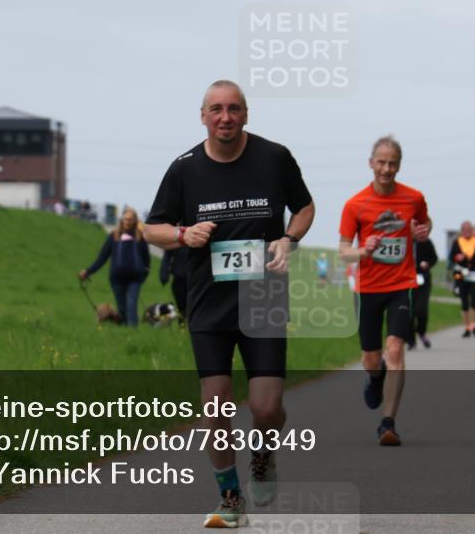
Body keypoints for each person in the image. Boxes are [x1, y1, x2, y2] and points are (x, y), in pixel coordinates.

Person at [143, 80, 315, 528]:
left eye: (233, 109)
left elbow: (305, 208)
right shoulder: (184, 169)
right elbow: (151, 228)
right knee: (215, 405)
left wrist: (288, 239)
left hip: (263, 296)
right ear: (203, 115)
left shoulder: (274, 157)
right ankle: (230, 497)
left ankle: (262, 456)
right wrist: (183, 234)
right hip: (209, 303)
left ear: (245, 114)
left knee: (265, 408)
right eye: (216, 109)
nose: (225, 117)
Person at [339, 135, 432, 446]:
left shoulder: (413, 198)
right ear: (371, 163)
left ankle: (388, 423)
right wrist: (364, 250)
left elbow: (424, 223)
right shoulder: (355, 204)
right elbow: (343, 251)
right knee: (371, 357)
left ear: (399, 165)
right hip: (368, 288)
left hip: (401, 284)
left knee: (395, 351)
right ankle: (374, 376)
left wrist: (422, 231)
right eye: (381, 162)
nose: (386, 169)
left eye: (392, 163)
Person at [78, 207, 150, 327]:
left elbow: (146, 260)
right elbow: (102, 257)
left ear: (135, 221)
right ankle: (125, 332)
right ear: (122, 219)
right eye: (125, 219)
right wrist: (88, 271)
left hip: (135, 279)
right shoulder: (114, 236)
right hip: (116, 279)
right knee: (122, 308)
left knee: (131, 305)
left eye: (130, 219)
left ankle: (133, 332)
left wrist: (143, 276)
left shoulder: (140, 238)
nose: (127, 221)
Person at [449, 221, 475, 338]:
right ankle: (467, 327)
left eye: (469, 229)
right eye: (465, 229)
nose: (467, 232)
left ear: (472, 230)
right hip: (461, 274)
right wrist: (458, 257)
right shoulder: (457, 241)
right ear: (461, 230)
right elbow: (451, 257)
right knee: (464, 302)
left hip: (474, 274)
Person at [409, 237, 438, 349]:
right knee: (408, 311)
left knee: (421, 310)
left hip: (423, 279)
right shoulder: (402, 239)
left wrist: (428, 263)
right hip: (406, 278)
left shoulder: (426, 241)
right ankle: (411, 341)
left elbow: (434, 258)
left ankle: (421, 332)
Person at [159, 246, 189, 324]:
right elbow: (167, 256)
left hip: (195, 279)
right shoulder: (178, 239)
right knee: (181, 305)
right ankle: (182, 324)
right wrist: (164, 274)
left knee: (192, 304)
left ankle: (191, 325)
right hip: (179, 278)